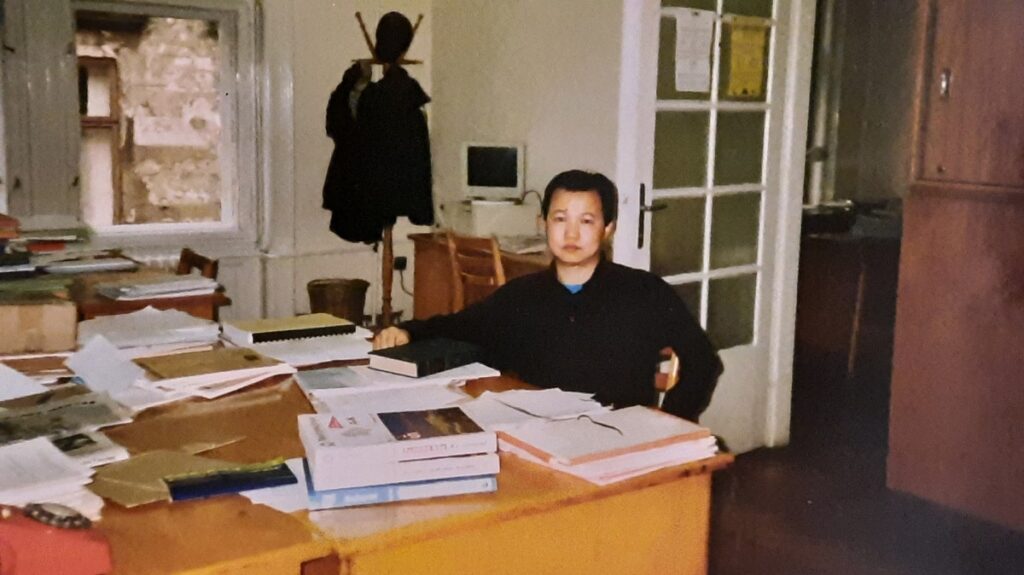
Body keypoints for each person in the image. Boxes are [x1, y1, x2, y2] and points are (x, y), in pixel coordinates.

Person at [374, 170, 722, 422]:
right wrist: (409, 331)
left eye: (586, 221)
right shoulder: (522, 295)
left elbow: (702, 361)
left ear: (608, 229)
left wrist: (669, 422)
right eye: (560, 219)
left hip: (614, 437)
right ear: (543, 224)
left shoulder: (643, 293)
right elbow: (463, 325)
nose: (571, 233)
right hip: (534, 432)